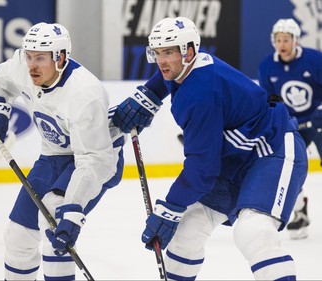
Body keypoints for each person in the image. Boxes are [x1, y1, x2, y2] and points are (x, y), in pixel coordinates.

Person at [112, 17, 308, 280]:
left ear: (189, 51)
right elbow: (165, 74)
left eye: (168, 52)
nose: (161, 61)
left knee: (253, 231)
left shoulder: (200, 93)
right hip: (233, 159)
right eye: (157, 52)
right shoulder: (189, 64)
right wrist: (149, 95)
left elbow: (202, 169)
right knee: (186, 233)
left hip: (271, 150)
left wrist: (171, 207)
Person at [0, 22, 125, 280]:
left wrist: (73, 210)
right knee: (18, 235)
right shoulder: (24, 66)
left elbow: (93, 161)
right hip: (52, 156)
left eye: (40, 58)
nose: (32, 64)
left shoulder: (84, 93)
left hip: (96, 159)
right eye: (29, 56)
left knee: (54, 220)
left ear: (61, 57)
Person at [258, 18, 322, 239]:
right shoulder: (267, 66)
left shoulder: (314, 59)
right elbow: (271, 101)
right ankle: (299, 212)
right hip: (293, 125)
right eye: (278, 40)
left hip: (320, 119)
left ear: (295, 40)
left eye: (286, 39)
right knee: (286, 168)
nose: (282, 44)